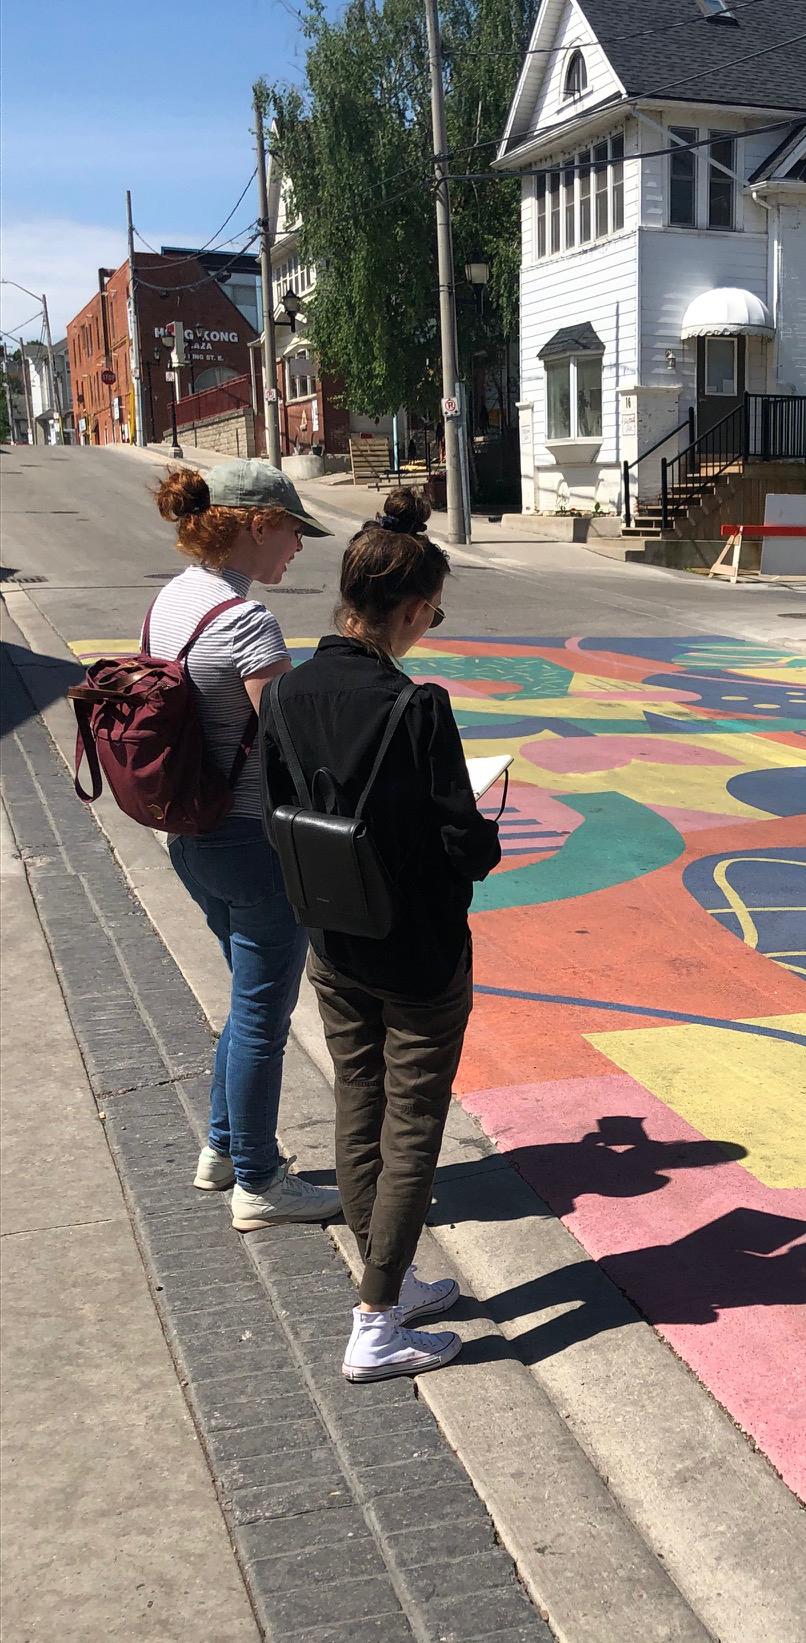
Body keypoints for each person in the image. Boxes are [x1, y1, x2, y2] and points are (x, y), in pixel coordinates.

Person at [259, 488, 501, 1382]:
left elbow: (271, 809)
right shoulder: (418, 707)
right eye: (433, 611)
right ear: (407, 610)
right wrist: (488, 831)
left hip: (334, 937)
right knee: (413, 1127)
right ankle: (376, 1320)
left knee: (358, 1108)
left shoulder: (283, 695)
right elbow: (463, 844)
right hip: (419, 951)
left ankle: (384, 1281)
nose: (432, 625)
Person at [153, 460, 342, 1232]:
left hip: (191, 834)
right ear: (258, 523)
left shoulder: (173, 599)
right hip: (249, 840)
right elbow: (293, 740)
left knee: (247, 997)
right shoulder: (245, 620)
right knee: (265, 1013)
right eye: (294, 532)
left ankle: (223, 1148)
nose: (297, 549)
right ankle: (260, 1184)